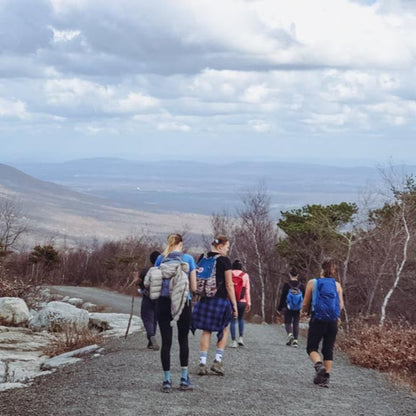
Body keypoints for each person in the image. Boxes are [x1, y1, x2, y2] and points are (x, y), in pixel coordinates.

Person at [154, 234, 197, 393]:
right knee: (183, 339)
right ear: (181, 244)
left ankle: (166, 380)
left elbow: (156, 282)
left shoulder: (160, 259)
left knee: (166, 342)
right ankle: (184, 379)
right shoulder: (188, 259)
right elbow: (193, 287)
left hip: (164, 303)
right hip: (182, 303)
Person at [192, 235, 238, 376]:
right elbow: (229, 284)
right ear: (220, 246)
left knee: (206, 331)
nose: (228, 249)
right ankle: (217, 362)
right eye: (227, 247)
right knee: (224, 329)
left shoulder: (203, 257)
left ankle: (202, 363)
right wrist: (234, 305)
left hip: (205, 299)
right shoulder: (224, 261)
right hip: (220, 300)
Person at [301, 259, 344, 388]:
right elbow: (341, 305)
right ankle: (325, 379)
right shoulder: (337, 285)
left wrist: (303, 313)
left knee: (312, 347)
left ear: (321, 270)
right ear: (333, 271)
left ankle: (319, 365)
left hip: (318, 319)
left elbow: (305, 303)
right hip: (332, 321)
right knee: (328, 348)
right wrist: (336, 316)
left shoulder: (312, 283)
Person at [137, 250, 161, 350]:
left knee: (147, 318)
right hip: (159, 298)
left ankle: (151, 336)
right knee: (154, 319)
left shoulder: (146, 271)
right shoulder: (163, 271)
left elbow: (141, 284)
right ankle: (150, 343)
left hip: (147, 297)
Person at [277, 266, 305, 348]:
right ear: (298, 275)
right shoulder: (301, 286)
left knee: (287, 322)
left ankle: (290, 335)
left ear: (289, 274)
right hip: (298, 308)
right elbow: (305, 298)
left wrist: (279, 308)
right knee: (296, 323)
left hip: (288, 307)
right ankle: (295, 341)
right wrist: (305, 309)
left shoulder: (286, 285)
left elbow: (283, 297)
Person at [229, 259, 251, 348]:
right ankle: (241, 338)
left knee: (233, 320)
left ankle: (233, 341)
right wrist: (249, 303)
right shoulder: (245, 275)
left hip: (231, 300)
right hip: (242, 301)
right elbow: (247, 290)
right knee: (241, 318)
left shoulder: (229, 274)